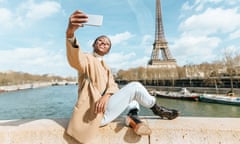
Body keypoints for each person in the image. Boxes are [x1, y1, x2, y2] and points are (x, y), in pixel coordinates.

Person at [65, 10, 179, 143]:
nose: (103, 43)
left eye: (107, 43)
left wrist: (106, 96)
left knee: (132, 97)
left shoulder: (106, 66)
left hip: (105, 108)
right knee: (135, 87)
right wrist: (70, 33)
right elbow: (75, 59)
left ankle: (132, 116)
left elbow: (113, 86)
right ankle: (156, 109)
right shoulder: (87, 59)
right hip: (95, 114)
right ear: (93, 45)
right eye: (100, 41)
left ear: (108, 50)